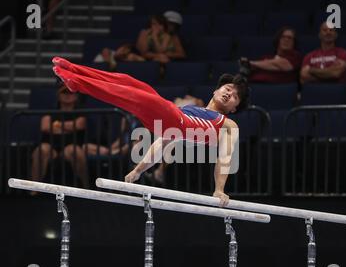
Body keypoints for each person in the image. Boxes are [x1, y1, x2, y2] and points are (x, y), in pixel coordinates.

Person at [52, 57, 249, 205]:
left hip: (175, 120)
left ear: (234, 108)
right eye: (228, 88)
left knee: (130, 95)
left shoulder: (229, 125)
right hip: (169, 119)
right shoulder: (193, 108)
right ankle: (74, 70)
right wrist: (138, 170)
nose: (229, 94)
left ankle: (76, 83)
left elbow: (224, 158)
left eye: (235, 97)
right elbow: (162, 143)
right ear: (215, 90)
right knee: (129, 82)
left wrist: (219, 190)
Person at [31, 83, 89, 192]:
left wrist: (57, 125)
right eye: (64, 92)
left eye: (70, 92)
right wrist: (70, 126)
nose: (67, 95)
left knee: (75, 151)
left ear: (76, 96)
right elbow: (45, 127)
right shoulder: (51, 110)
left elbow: (79, 125)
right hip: (50, 145)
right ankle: (34, 191)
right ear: (58, 95)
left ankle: (86, 189)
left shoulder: (81, 111)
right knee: (41, 150)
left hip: (71, 144)